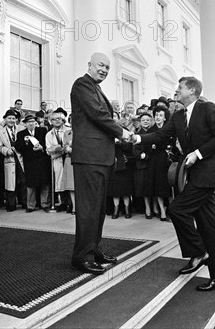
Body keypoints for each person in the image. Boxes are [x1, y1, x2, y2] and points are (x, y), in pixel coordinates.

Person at [133, 76, 215, 292]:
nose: (176, 91)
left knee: (176, 209)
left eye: (180, 88)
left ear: (192, 90)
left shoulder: (208, 108)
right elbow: (160, 135)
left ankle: (197, 252)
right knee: (209, 228)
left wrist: (197, 153)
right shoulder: (178, 115)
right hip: (194, 175)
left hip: (207, 174)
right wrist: (137, 139)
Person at [70, 52, 132, 275]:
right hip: (89, 157)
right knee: (88, 209)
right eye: (100, 65)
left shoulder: (96, 88)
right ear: (89, 65)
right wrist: (123, 132)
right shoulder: (82, 84)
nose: (104, 69)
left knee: (98, 209)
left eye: (107, 67)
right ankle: (82, 257)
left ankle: (93, 249)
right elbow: (97, 115)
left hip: (101, 157)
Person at [15, 115, 51, 213]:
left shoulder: (42, 131)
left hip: (42, 160)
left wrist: (41, 148)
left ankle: (45, 204)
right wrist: (26, 143)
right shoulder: (21, 134)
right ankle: (30, 205)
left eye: (33, 121)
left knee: (44, 183)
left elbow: (47, 143)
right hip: (29, 161)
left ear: (36, 122)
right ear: (25, 124)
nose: (31, 123)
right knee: (30, 184)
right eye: (29, 122)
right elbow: (18, 147)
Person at [46, 108, 75, 214]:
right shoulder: (49, 134)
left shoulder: (69, 130)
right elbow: (49, 149)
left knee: (71, 181)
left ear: (63, 120)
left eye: (59, 118)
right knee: (60, 181)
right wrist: (59, 148)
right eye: (54, 119)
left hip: (69, 158)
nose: (57, 121)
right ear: (50, 121)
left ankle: (71, 204)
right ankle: (63, 203)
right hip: (57, 159)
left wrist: (59, 148)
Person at [0, 109, 26, 212]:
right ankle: (11, 205)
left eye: (13, 118)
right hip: (9, 160)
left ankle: (24, 203)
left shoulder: (22, 129)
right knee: (10, 184)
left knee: (23, 181)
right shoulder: (1, 132)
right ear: (5, 119)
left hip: (21, 158)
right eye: (9, 118)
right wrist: (7, 151)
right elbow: (0, 147)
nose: (11, 120)